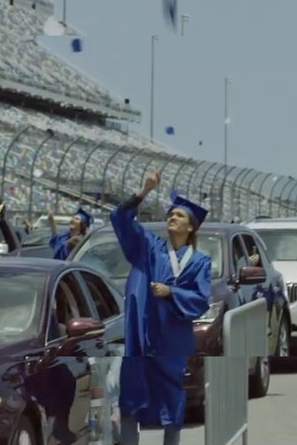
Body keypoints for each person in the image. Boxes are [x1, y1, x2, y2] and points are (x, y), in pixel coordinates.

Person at [110, 171, 212, 445]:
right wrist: (144, 191)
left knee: (171, 399)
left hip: (171, 342)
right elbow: (120, 219)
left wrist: (171, 292)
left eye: (178, 215)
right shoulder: (149, 248)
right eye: (170, 214)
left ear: (190, 227)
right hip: (140, 339)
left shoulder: (200, 262)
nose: (171, 217)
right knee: (131, 396)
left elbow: (201, 299)